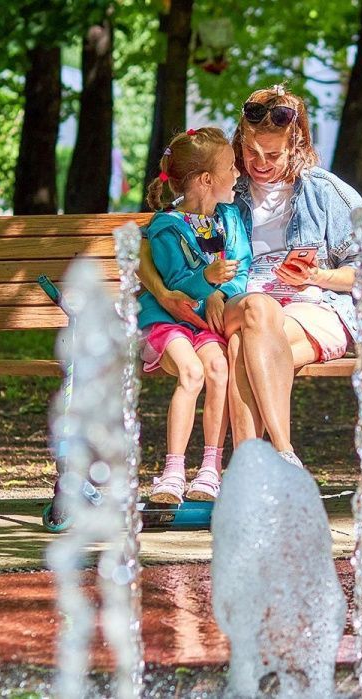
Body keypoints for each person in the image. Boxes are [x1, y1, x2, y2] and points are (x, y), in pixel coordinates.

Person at [140, 85, 362, 469]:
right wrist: (205, 291)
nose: (259, 163)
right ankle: (275, 461)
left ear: (297, 145)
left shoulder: (325, 192)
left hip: (316, 306)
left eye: (272, 154)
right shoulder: (225, 188)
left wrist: (317, 275)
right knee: (256, 315)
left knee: (243, 345)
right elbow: (155, 233)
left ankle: (252, 469)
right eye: (250, 151)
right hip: (247, 301)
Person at [140, 127, 250, 502]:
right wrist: (206, 279)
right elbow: (174, 284)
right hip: (170, 321)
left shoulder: (229, 219)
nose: (238, 174)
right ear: (207, 180)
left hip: (206, 322)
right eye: (231, 168)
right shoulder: (166, 227)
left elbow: (243, 268)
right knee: (192, 372)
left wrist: (223, 292)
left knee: (219, 370)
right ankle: (172, 472)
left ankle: (209, 469)